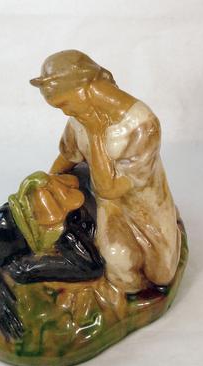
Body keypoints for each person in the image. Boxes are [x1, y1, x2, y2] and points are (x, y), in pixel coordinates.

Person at [30, 50, 181, 293]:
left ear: (83, 88)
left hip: (146, 205)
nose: (65, 112)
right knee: (123, 273)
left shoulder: (141, 125)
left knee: (162, 275)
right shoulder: (81, 117)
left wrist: (96, 134)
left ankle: (173, 226)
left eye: (64, 104)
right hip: (111, 208)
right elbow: (68, 156)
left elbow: (109, 188)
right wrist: (49, 181)